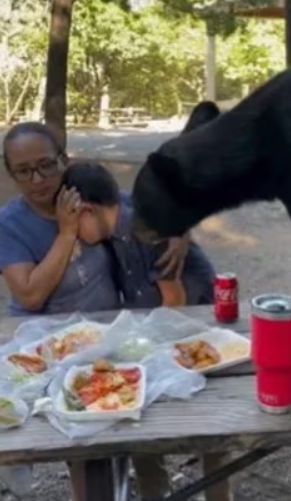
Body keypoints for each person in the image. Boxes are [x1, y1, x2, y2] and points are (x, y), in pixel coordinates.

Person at [0, 122, 191, 501]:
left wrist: (179, 229)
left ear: (64, 161)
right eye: (23, 171)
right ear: (11, 174)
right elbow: (31, 295)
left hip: (109, 336)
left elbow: (149, 210)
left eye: (46, 166)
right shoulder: (10, 225)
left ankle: (155, 488)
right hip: (45, 349)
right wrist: (67, 233)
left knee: (142, 427)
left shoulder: (89, 194)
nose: (38, 179)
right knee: (85, 444)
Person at [60, 161, 216, 307]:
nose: (73, 231)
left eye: (73, 220)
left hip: (196, 316)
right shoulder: (113, 210)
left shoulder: (150, 232)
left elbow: (175, 302)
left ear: (87, 210)